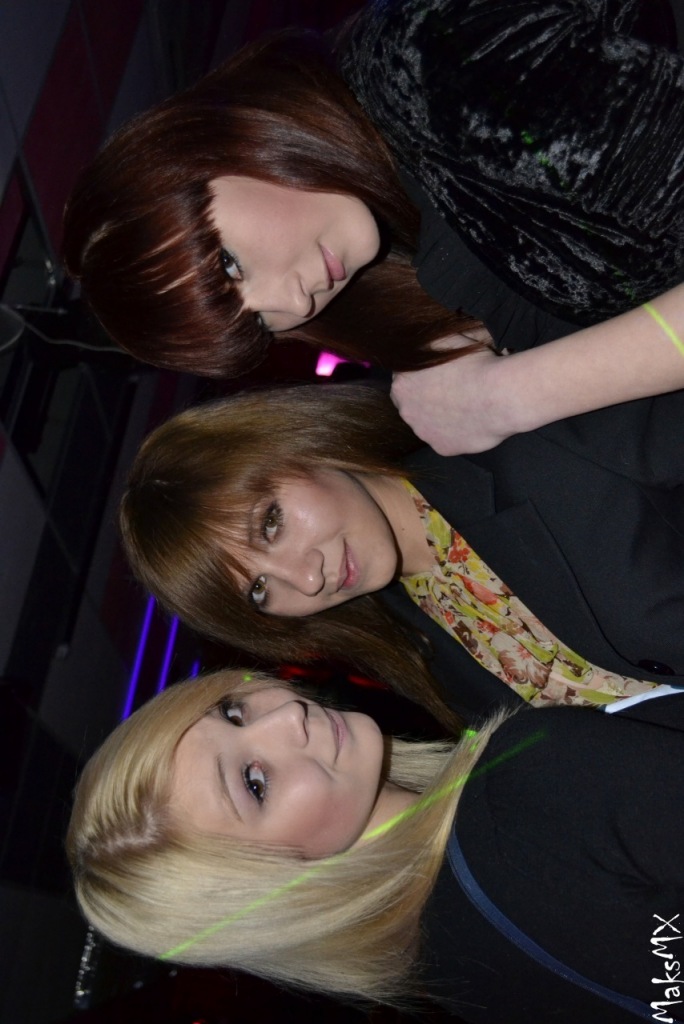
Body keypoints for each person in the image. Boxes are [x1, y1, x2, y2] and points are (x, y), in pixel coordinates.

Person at [62, 1, 684, 454]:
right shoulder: (403, 215)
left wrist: (509, 397)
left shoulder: (434, 65)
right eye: (256, 323)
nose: (292, 304)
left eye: (229, 265)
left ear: (205, 146)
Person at [67, 667, 684, 1022]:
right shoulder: (528, 786)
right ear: (270, 889)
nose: (286, 718)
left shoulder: (453, 974)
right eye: (254, 783)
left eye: (232, 712)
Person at [118, 383, 684, 723]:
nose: (307, 580)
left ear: (295, 443)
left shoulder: (520, 434)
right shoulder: (426, 659)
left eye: (270, 524)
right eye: (260, 591)